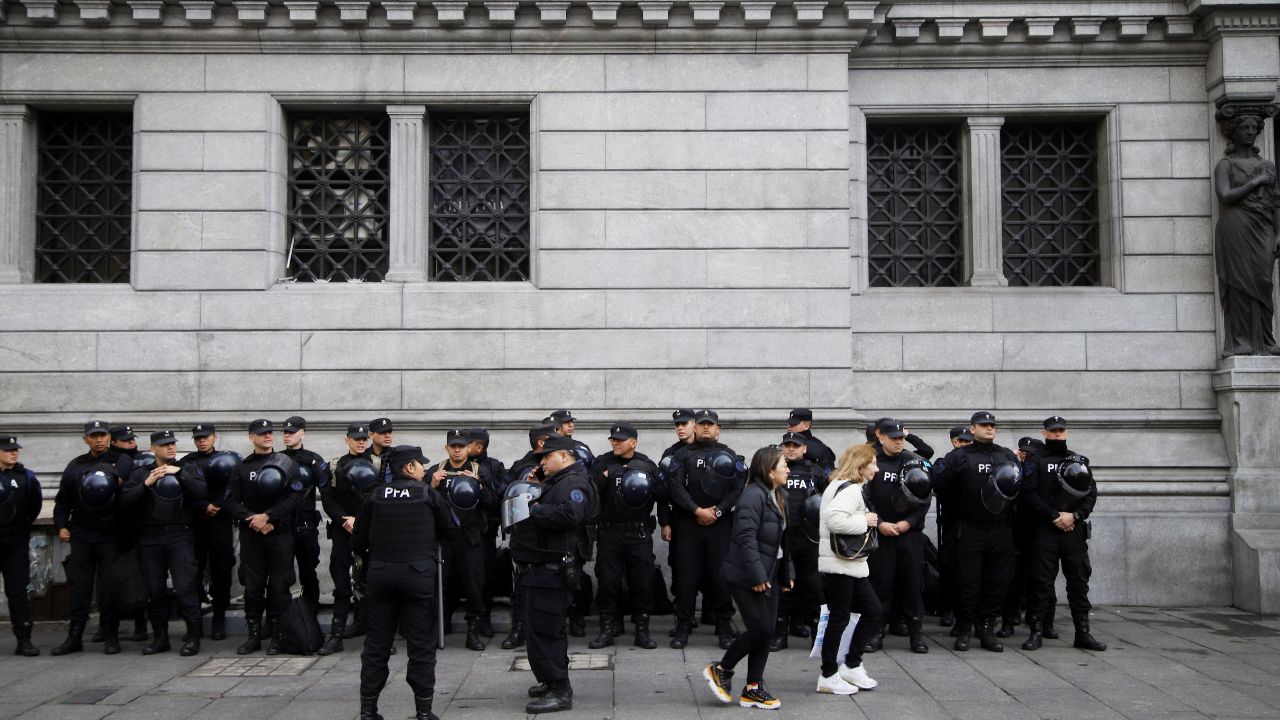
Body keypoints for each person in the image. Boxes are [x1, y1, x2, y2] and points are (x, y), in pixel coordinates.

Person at [352, 445, 452, 720]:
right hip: (418, 576)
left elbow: (357, 541)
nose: (424, 469)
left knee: (376, 646)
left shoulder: (375, 496)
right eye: (421, 465)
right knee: (421, 645)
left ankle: (368, 711)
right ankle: (423, 711)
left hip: (381, 575)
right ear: (409, 467)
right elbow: (451, 529)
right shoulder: (427, 494)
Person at [508, 433, 596, 714]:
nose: (543, 462)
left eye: (547, 457)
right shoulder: (557, 481)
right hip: (539, 568)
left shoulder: (575, 482)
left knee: (547, 630)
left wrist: (535, 509)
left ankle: (560, 688)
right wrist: (537, 488)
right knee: (539, 629)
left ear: (564, 457)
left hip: (553, 569)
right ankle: (549, 679)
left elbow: (572, 514)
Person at [702, 446, 793, 710]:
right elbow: (745, 538)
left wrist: (787, 575)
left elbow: (782, 540)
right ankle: (722, 669)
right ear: (769, 470)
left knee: (767, 631)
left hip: (770, 573)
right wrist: (757, 575)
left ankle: (753, 688)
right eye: (783, 464)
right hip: (747, 574)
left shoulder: (778, 495)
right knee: (761, 629)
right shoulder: (752, 497)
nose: (787, 468)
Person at [931, 411, 1020, 652]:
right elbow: (940, 486)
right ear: (972, 428)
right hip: (969, 528)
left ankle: (987, 629)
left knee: (996, 581)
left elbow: (1018, 487)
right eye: (983, 425)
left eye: (992, 425)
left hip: (999, 528)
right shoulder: (959, 457)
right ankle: (964, 628)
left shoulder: (1006, 455)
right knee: (968, 582)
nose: (989, 428)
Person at [1020, 416, 1107, 652]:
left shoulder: (1078, 460)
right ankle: (1036, 632)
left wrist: (1075, 516)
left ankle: (1083, 633)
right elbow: (1028, 493)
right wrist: (1053, 516)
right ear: (1044, 433)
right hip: (1045, 530)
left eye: (1061, 431)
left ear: (1066, 433)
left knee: (1078, 583)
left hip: (1072, 531)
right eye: (1053, 431)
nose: (1057, 434)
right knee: (1041, 584)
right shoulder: (1036, 461)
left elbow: (1090, 493)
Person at [51, 420, 134, 655]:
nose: (98, 439)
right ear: (86, 439)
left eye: (102, 435)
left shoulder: (122, 461)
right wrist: (61, 526)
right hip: (82, 534)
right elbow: (63, 500)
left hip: (110, 534)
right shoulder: (76, 465)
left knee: (109, 587)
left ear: (109, 437)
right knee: (80, 587)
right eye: (93, 436)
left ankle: (110, 636)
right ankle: (74, 636)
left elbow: (124, 491)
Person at [120, 430, 207, 656]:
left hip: (179, 536)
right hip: (150, 538)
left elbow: (200, 493)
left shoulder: (186, 469)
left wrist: (179, 474)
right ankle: (160, 638)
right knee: (154, 590)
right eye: (164, 444)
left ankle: (193, 637)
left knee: (185, 586)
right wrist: (147, 483)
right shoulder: (141, 473)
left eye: (172, 444)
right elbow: (125, 503)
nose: (170, 448)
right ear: (153, 449)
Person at [223, 419, 305, 655]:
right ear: (251, 437)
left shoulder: (286, 463)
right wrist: (253, 520)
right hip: (253, 536)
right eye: (262, 434)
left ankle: (278, 636)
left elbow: (295, 497)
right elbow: (229, 500)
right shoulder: (241, 467)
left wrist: (269, 517)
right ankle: (254, 635)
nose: (268, 436)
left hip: (279, 535)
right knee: (253, 589)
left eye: (270, 433)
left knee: (280, 587)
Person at [667, 409, 743, 650]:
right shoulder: (681, 455)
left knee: (721, 577)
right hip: (689, 524)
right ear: (695, 428)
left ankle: (723, 625)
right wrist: (696, 510)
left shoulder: (729, 455)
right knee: (686, 576)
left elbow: (737, 487)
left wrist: (718, 511)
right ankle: (683, 625)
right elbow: (674, 486)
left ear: (718, 429)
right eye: (702, 425)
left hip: (720, 525)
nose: (706, 428)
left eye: (711, 425)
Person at [813, 443, 882, 695]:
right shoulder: (851, 489)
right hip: (840, 564)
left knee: (871, 611)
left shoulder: (842, 485)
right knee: (840, 617)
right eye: (872, 463)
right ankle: (829, 674)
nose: (876, 468)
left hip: (847, 564)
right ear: (860, 465)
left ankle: (851, 665)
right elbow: (834, 519)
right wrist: (865, 520)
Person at [1213, 104, 1280, 356]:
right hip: (1236, 225)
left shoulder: (1268, 165)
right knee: (1240, 284)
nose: (1250, 132)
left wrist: (1278, 232)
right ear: (1234, 130)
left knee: (1264, 281)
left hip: (1263, 226)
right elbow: (1225, 195)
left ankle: (1265, 339)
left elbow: (1276, 201)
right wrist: (1256, 181)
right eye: (1245, 127)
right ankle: (1241, 341)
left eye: (1254, 127)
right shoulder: (1226, 165)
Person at [588, 421, 660, 650]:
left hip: (638, 532)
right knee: (608, 581)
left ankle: (642, 629)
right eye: (613, 439)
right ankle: (608, 627)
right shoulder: (601, 463)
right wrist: (606, 477)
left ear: (633, 442)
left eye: (620, 439)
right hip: (611, 531)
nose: (615, 443)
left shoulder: (646, 464)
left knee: (642, 582)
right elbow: (590, 490)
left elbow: (661, 492)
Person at [863, 419, 930, 654]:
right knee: (881, 584)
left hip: (908, 534)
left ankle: (916, 635)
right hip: (880, 533)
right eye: (894, 438)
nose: (899, 442)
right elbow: (864, 497)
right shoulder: (871, 462)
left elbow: (924, 498)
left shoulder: (913, 462)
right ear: (881, 438)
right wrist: (879, 523)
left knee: (912, 585)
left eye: (901, 438)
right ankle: (876, 633)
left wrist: (907, 523)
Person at [428, 429, 495, 651]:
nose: (457, 450)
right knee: (440, 584)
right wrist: (431, 487)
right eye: (453, 446)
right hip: (443, 540)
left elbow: (493, 503)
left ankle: (473, 632)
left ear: (468, 448)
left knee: (474, 585)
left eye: (461, 446)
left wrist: (480, 488)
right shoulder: (435, 472)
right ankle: (440, 626)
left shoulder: (479, 471)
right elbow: (422, 505)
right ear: (446, 448)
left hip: (470, 538)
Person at [318, 423, 376, 654]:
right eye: (356, 439)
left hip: (368, 531)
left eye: (363, 439)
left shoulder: (376, 464)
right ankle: (336, 635)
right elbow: (327, 497)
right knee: (342, 585)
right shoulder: (334, 466)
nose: (361, 442)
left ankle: (375, 636)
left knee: (371, 584)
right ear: (347, 440)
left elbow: (377, 497)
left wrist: (360, 521)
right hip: (343, 531)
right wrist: (345, 519)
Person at [500, 423, 558, 650]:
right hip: (525, 534)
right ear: (541, 442)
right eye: (551, 437)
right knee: (522, 585)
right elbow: (504, 495)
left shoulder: (559, 464)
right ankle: (518, 629)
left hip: (550, 532)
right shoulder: (520, 467)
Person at [179, 424, 237, 640]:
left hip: (220, 523)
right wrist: (202, 505)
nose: (202, 441)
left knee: (221, 571)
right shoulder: (187, 463)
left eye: (206, 437)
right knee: (192, 574)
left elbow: (233, 488)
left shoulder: (227, 460)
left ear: (214, 438)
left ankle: (218, 620)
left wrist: (218, 505)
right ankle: (194, 623)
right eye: (198, 438)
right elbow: (183, 492)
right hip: (196, 524)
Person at [771, 431, 826, 651]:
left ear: (804, 448)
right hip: (783, 537)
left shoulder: (815, 472)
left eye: (796, 445)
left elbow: (827, 501)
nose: (791, 449)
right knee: (784, 587)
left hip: (809, 538)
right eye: (788, 445)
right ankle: (780, 634)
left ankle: (816, 634)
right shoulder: (775, 470)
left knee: (813, 588)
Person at [0, 434, 41, 656]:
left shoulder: (25, 476)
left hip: (15, 540)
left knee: (18, 591)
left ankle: (24, 639)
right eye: (8, 450)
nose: (14, 453)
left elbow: (34, 504)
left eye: (15, 449)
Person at [281, 416, 328, 609]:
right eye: (285, 432)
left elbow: (326, 489)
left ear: (302, 433)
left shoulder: (313, 459)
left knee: (308, 570)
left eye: (292, 432)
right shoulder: (278, 457)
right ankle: (280, 615)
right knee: (281, 573)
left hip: (305, 522)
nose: (287, 436)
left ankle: (311, 609)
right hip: (282, 522)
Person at [467, 428, 506, 639]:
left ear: (478, 446)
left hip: (485, 531)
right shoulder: (449, 466)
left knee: (486, 577)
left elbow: (498, 498)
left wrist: (482, 486)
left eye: (466, 444)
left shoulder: (494, 467)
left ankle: (484, 618)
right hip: (459, 532)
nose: (460, 448)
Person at [935, 426, 972, 630]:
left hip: (971, 523)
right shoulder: (946, 462)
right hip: (952, 523)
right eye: (963, 442)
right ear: (954, 442)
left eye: (969, 442)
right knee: (949, 567)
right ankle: (948, 608)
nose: (966, 446)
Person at [369, 417, 395, 483]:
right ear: (371, 435)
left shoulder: (398, 455)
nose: (387, 436)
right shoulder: (364, 456)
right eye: (382, 432)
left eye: (390, 432)